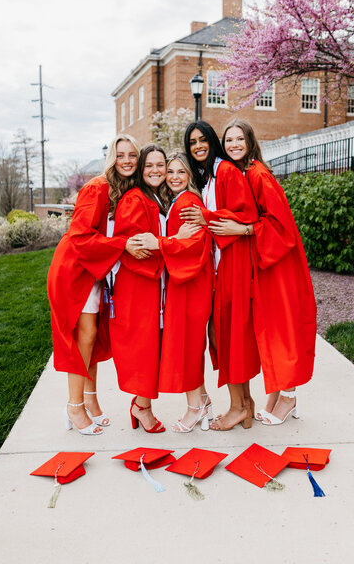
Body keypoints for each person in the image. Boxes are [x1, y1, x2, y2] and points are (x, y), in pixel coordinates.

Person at [214, 119, 317, 425]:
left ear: (249, 142)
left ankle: (288, 397)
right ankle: (277, 393)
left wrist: (242, 229)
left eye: (239, 139)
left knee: (281, 327)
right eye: (228, 140)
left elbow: (280, 226)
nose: (233, 144)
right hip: (264, 261)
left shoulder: (258, 174)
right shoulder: (241, 172)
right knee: (271, 328)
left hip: (278, 262)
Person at [47, 134, 144, 435]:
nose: (126, 160)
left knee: (92, 337)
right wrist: (123, 245)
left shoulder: (125, 188)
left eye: (132, 155)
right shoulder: (97, 187)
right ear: (111, 158)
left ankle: (90, 399)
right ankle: (74, 406)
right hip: (75, 269)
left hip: (96, 269)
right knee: (84, 336)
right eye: (121, 155)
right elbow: (80, 238)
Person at [110, 145, 198, 433]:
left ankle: (142, 404)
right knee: (145, 350)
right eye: (150, 165)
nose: (157, 170)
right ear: (141, 169)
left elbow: (154, 242)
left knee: (153, 349)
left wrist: (169, 241)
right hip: (140, 286)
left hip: (154, 285)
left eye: (162, 165)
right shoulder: (135, 199)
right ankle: (142, 407)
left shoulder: (157, 199)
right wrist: (175, 241)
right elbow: (138, 249)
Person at [180, 121, 260, 430]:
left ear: (212, 141)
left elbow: (245, 215)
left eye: (203, 140)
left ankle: (238, 406)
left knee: (227, 336)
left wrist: (206, 216)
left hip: (233, 262)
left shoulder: (225, 171)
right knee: (225, 335)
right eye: (192, 142)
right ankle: (246, 404)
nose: (198, 145)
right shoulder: (209, 177)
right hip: (220, 263)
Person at [133, 152, 213, 432]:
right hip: (183, 285)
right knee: (188, 345)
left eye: (181, 172)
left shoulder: (188, 203)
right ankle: (202, 402)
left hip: (192, 285)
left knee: (189, 346)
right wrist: (170, 241)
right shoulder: (177, 202)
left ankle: (196, 407)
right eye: (171, 171)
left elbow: (193, 246)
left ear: (190, 176)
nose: (175, 176)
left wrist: (160, 243)